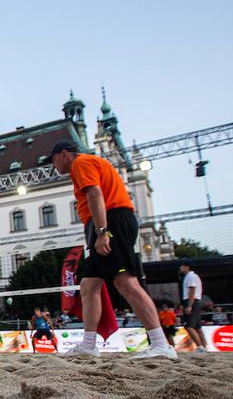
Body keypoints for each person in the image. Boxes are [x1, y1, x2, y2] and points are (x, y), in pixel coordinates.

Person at [49, 140, 176, 359]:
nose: (54, 166)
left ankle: (160, 343)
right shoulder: (89, 163)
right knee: (89, 285)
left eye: (54, 161)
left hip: (110, 220)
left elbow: (95, 195)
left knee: (125, 281)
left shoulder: (81, 163)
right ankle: (89, 345)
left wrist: (101, 231)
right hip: (107, 221)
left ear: (64, 154)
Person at [179, 261, 207, 352]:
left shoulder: (190, 276)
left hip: (192, 301)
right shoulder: (193, 276)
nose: (180, 268)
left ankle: (200, 347)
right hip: (196, 301)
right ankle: (204, 345)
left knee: (189, 326)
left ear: (187, 267)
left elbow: (192, 291)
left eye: (182, 266)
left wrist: (189, 305)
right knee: (197, 326)